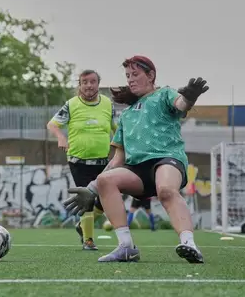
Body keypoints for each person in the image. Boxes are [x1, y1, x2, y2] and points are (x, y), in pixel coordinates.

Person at [64, 55, 208, 264]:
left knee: (166, 190)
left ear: (151, 76)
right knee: (105, 180)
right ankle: (126, 247)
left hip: (166, 159)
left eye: (135, 74)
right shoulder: (126, 115)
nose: (130, 79)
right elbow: (117, 160)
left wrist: (190, 98)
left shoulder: (164, 94)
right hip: (137, 170)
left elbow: (181, 104)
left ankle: (188, 243)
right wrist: (92, 189)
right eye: (127, 76)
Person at [47, 69, 117, 250]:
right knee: (86, 199)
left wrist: (123, 148)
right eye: (84, 82)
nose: (89, 85)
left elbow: (117, 128)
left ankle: (82, 226)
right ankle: (88, 240)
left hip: (103, 161)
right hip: (78, 161)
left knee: (103, 201)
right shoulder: (71, 105)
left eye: (92, 81)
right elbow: (52, 124)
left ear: (98, 84)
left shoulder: (108, 104)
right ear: (80, 85)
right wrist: (61, 137)